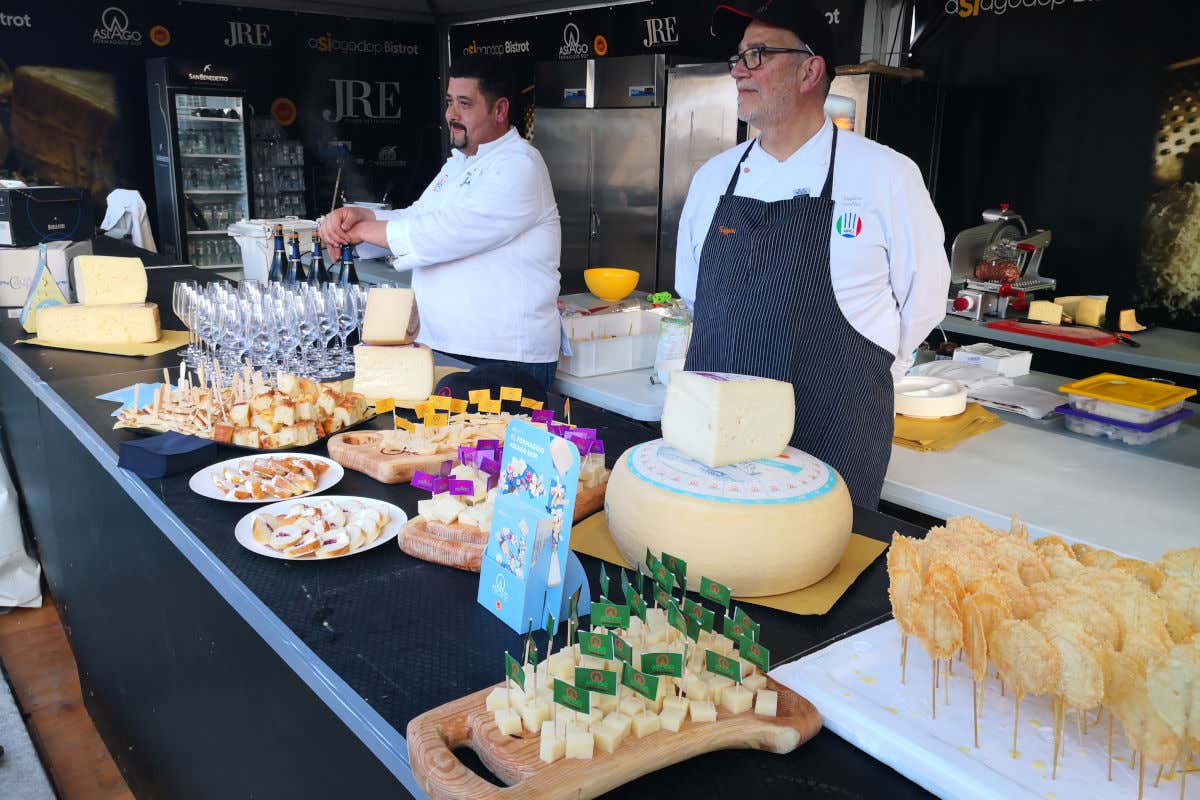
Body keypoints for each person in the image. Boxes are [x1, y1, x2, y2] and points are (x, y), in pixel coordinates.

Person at [676, 1, 950, 509]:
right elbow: (694, 294)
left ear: (810, 69)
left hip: (836, 436)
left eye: (757, 55)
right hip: (719, 444)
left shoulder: (885, 176)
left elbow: (926, 300)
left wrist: (863, 375)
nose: (738, 69)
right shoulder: (713, 178)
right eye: (737, 57)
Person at [318, 56, 562, 393]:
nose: (451, 114)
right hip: (444, 346)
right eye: (449, 102)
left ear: (500, 110)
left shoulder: (520, 165)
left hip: (503, 358)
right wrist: (364, 217)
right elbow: (419, 217)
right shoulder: (459, 163)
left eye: (465, 103)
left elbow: (449, 232)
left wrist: (362, 230)